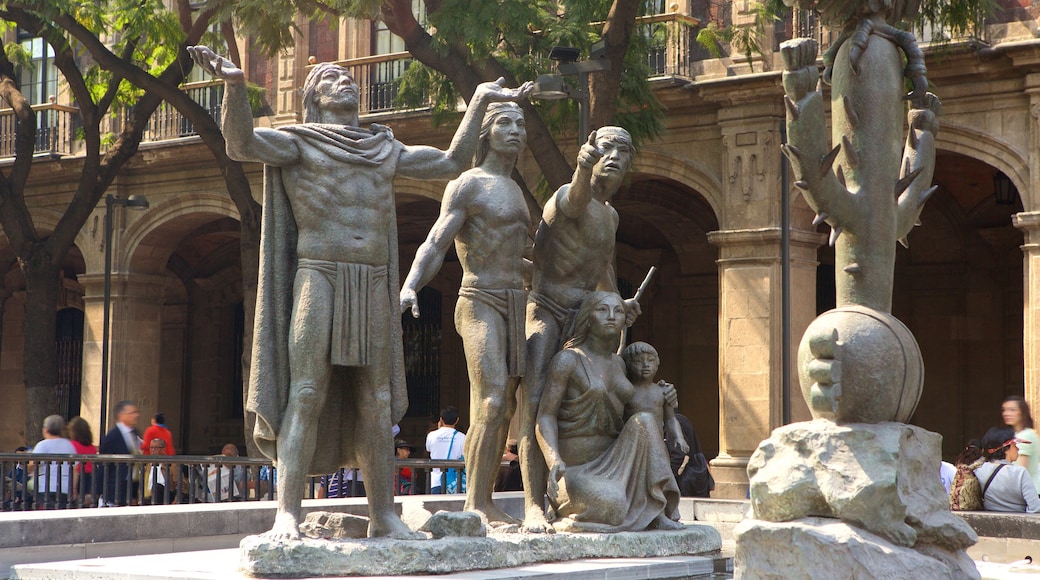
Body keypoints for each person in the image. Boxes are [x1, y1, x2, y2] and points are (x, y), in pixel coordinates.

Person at [188, 45, 530, 541]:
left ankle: (385, 516)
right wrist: (236, 87)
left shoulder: (382, 149)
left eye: (348, 78)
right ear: (314, 98)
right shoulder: (298, 143)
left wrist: (477, 98)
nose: (345, 82)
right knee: (305, 392)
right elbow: (241, 144)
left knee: (377, 398)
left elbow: (453, 160)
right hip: (319, 274)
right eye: (331, 79)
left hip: (371, 279)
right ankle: (287, 513)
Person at [401, 101, 529, 524]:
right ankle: (474, 503)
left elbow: (522, 257)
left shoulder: (516, 190)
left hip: (516, 299)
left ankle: (484, 499)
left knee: (506, 408)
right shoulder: (467, 184)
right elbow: (436, 243)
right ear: (487, 133)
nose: (515, 130)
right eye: (505, 123)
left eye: (520, 124)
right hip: (479, 300)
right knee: (491, 400)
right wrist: (412, 284)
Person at [521, 127, 641, 532]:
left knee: (612, 389)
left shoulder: (611, 216)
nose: (615, 157)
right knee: (537, 402)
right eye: (607, 148)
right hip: (548, 308)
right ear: (590, 153)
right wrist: (581, 167)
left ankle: (591, 487)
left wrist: (619, 304)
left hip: (585, 312)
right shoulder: (567, 197)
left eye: (623, 152)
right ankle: (532, 504)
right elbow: (575, 198)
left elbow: (602, 268)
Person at [536, 291, 683, 532]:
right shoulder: (568, 360)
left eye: (618, 311)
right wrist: (554, 459)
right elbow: (545, 416)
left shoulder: (619, 364)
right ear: (587, 317)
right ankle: (567, 519)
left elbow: (637, 406)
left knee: (644, 420)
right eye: (602, 310)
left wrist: (666, 395)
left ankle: (659, 512)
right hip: (577, 468)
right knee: (612, 506)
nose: (612, 317)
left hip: (617, 459)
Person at [974, 426, 1040, 513]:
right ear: (1005, 448)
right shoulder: (1020, 473)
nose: (1018, 449)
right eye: (1015, 445)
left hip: (989, 524)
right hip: (1019, 524)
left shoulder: (978, 470)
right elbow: (1035, 507)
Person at [98, 400, 142, 507]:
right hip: (115, 487)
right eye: (132, 413)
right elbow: (104, 466)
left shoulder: (135, 433)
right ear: (121, 415)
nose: (136, 415)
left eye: (136, 412)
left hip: (130, 487)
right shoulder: (112, 437)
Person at [28, 415, 77, 509]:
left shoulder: (42, 445)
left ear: (45, 429)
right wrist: (73, 487)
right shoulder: (69, 445)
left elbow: (32, 463)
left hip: (45, 487)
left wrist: (30, 470)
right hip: (65, 487)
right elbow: (75, 469)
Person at [1002, 396, 1039, 493]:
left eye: (1012, 410)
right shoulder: (1019, 434)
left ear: (1022, 412)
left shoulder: (1025, 435)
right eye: (1004, 410)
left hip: (1028, 493)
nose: (1006, 413)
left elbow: (1021, 471)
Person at [426, 406, 466, 494]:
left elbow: (428, 449)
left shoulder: (432, 435)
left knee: (436, 506)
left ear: (441, 419)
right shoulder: (462, 437)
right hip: (454, 482)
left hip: (436, 481)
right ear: (457, 420)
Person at [67, 416, 98, 507]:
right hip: (90, 477)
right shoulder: (92, 447)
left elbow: (75, 467)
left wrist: (74, 487)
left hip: (78, 477)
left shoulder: (72, 445)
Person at [144, 438, 173, 504]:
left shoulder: (171, 465)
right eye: (151, 448)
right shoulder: (147, 465)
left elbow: (181, 485)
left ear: (163, 449)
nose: (153, 450)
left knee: (157, 487)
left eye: (156, 448)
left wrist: (176, 499)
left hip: (165, 496)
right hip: (148, 496)